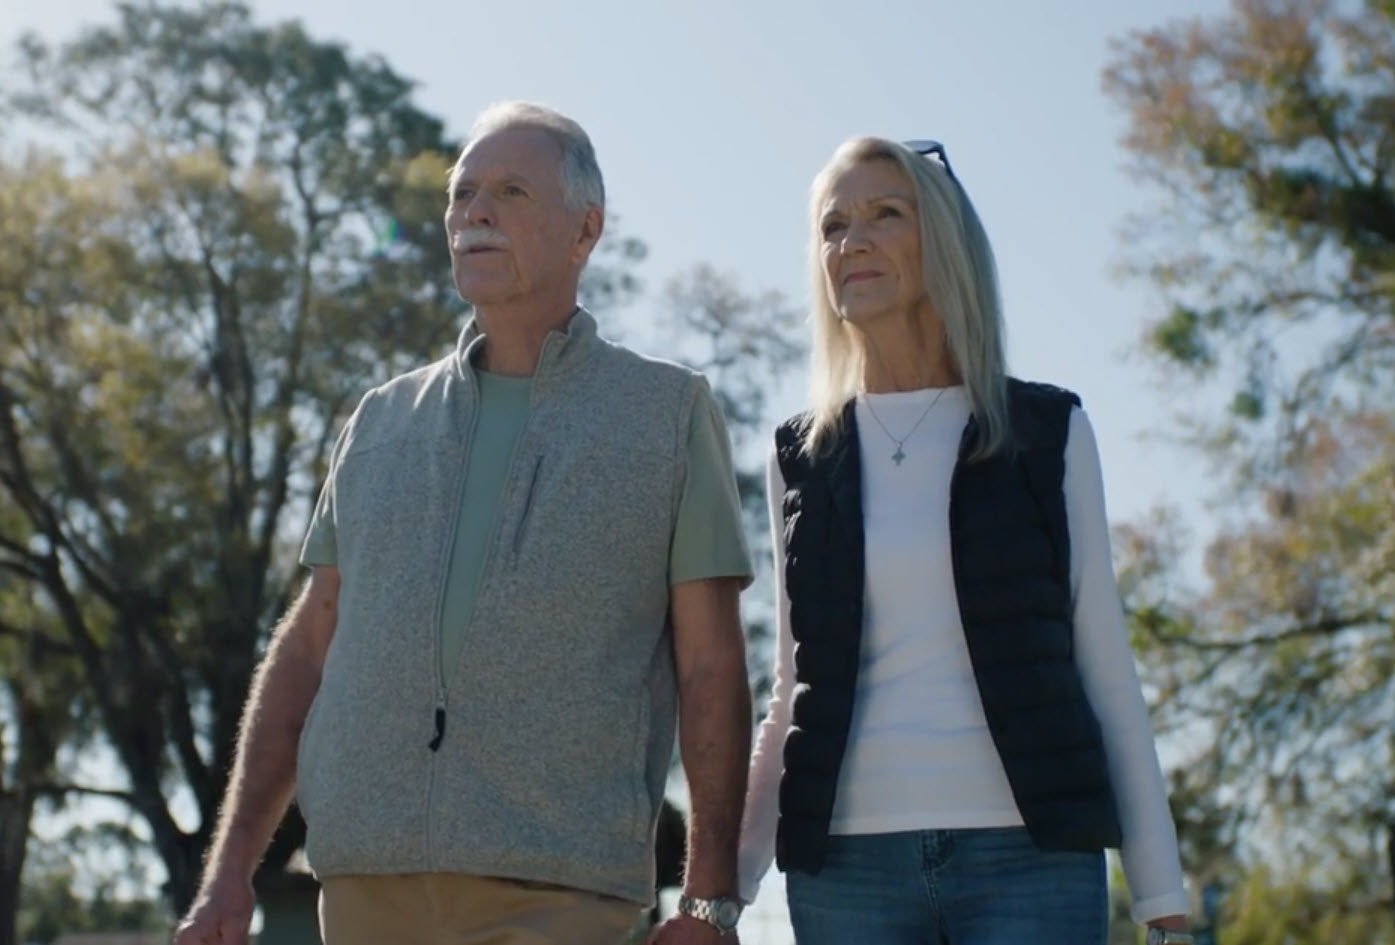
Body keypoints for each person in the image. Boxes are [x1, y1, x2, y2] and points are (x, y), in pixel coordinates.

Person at [174, 101, 754, 945]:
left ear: (583, 230)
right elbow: (307, 647)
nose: (474, 212)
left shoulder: (666, 413)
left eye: (510, 191)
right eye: (462, 193)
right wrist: (229, 872)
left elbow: (710, 665)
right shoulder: (379, 421)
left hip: (562, 891)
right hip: (364, 888)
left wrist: (707, 900)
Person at [735, 136, 1195, 945]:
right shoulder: (800, 455)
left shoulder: (1045, 431)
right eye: (832, 225)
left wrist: (1161, 897)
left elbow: (1104, 666)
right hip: (843, 872)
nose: (853, 241)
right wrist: (720, 894)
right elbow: (792, 689)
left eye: (884, 214)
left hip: (1030, 859)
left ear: (941, 240)